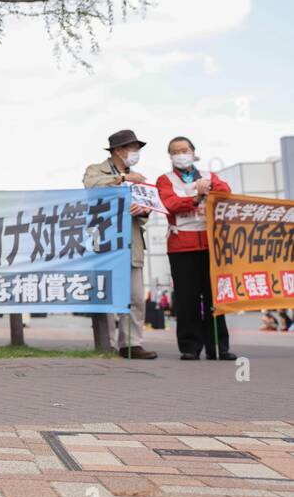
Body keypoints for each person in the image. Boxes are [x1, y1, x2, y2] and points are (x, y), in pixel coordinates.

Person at [156, 136, 236, 361]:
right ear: (170, 156)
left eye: (184, 149)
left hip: (211, 244)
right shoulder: (165, 179)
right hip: (182, 246)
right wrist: (197, 196)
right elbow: (169, 203)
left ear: (193, 152)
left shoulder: (210, 176)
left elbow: (225, 192)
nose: (181, 154)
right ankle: (190, 347)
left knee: (214, 297)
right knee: (187, 297)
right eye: (175, 151)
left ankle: (218, 346)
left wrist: (208, 186)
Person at [82, 129, 157, 358]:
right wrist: (122, 179)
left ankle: (131, 344)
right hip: (105, 241)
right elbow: (91, 186)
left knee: (134, 297)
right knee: (108, 294)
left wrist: (143, 210)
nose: (136, 153)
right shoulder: (96, 170)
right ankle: (107, 344)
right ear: (118, 150)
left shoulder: (140, 178)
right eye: (132, 148)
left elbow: (147, 209)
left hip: (131, 241)